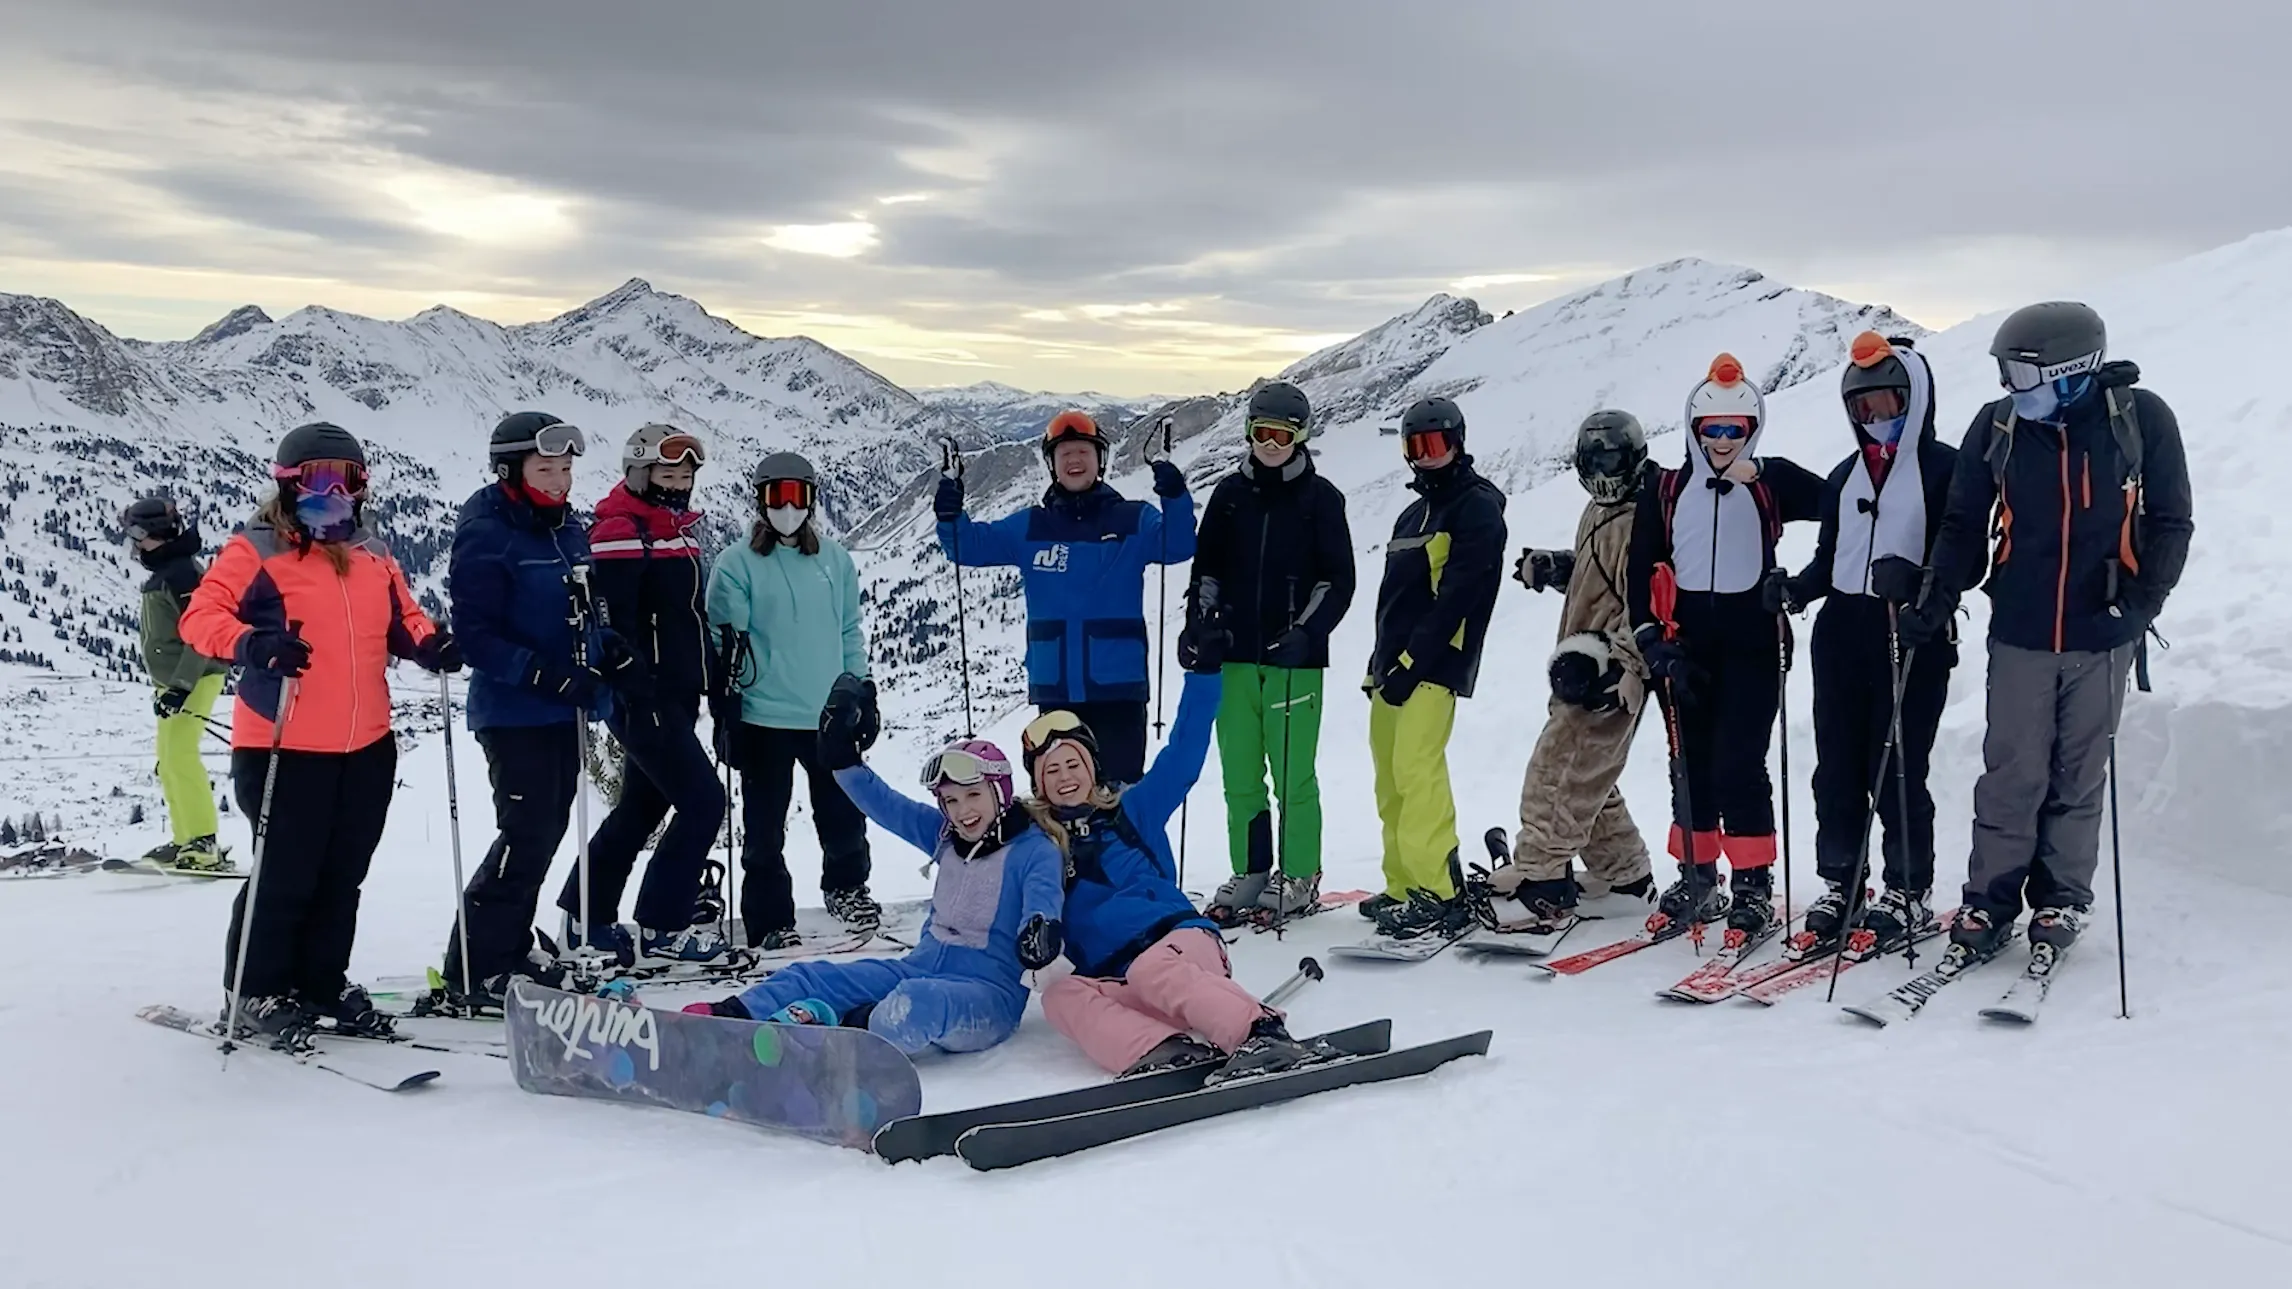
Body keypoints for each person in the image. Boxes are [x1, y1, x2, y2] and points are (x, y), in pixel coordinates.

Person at [1918, 302, 2192, 962]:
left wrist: (2139, 607)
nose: (2010, 388)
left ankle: (2063, 898)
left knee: (2078, 773)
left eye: (2022, 373)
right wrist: (1936, 595)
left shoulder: (2139, 419)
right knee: (2012, 772)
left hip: (2104, 634)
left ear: (2072, 372)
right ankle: (1989, 898)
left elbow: (2171, 521)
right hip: (2021, 631)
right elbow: (1962, 524)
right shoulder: (2001, 425)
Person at [179, 422, 459, 1044]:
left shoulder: (373, 552)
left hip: (365, 743)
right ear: (287, 484)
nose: (334, 491)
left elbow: (403, 616)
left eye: (349, 478)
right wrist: (255, 643)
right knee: (285, 872)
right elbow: (200, 619)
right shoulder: (254, 550)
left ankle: (320, 981)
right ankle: (256, 989)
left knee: (342, 872)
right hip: (282, 742)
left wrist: (427, 643)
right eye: (317, 478)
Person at [1027, 603, 1329, 1082]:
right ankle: (1163, 1049)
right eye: (1051, 771)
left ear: (1092, 769)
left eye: (1073, 764)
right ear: (1039, 785)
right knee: (1061, 996)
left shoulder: (1132, 811)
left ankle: (1260, 1033)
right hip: (1122, 980)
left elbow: (1183, 753)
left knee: (1152, 970)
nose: (1065, 778)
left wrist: (1205, 673)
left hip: (1182, 949)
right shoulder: (1036, 846)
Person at [687, 691, 1064, 1056]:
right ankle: (727, 1019)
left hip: (987, 995)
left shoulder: (1034, 851)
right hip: (918, 969)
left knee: (913, 1008)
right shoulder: (946, 836)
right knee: (810, 976)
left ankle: (830, 1031)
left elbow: (1043, 901)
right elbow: (887, 805)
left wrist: (1039, 930)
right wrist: (842, 759)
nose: (962, 810)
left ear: (999, 792)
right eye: (950, 800)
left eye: (973, 795)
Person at [433, 411, 634, 1013]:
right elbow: (475, 634)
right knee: (525, 835)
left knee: (544, 833)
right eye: (545, 467)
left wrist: (608, 648)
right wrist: (543, 673)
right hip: (514, 711)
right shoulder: (487, 533)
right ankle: (475, 965)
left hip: (563, 709)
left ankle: (509, 947)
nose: (559, 479)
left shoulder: (565, 529)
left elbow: (584, 607)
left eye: (567, 468)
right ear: (511, 469)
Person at [1769, 334, 1960, 954]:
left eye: (1887, 404)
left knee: (1900, 768)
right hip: (1844, 632)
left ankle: (1909, 891)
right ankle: (1841, 883)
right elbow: (1831, 559)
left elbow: (1967, 556)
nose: (1876, 419)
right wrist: (1796, 590)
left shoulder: (1945, 469)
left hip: (1910, 632)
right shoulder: (1843, 477)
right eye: (1863, 409)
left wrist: (1925, 589)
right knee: (1838, 769)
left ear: (1917, 399)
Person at [1628, 354, 1823, 944]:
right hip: (1684, 647)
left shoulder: (1774, 481)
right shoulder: (1664, 490)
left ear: (1752, 429)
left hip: (1754, 645)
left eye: (1734, 429)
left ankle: (1753, 886)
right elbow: (1640, 573)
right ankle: (1697, 876)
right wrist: (1652, 646)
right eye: (1710, 429)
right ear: (1693, 429)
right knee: (1688, 765)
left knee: (1739, 763)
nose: (1721, 440)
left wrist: (1801, 582)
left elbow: (1848, 506)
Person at [934, 409, 1196, 784]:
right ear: (1052, 464)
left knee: (1120, 806)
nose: (1074, 460)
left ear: (1099, 460)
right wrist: (950, 515)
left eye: (1083, 452)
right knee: (1059, 804)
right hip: (1056, 693)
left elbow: (1179, 544)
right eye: (1065, 453)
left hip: (1119, 694)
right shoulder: (1030, 526)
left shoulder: (1133, 520)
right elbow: (968, 546)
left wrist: (1174, 495)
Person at [1475, 410, 1657, 933]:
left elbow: (1648, 603)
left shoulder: (1641, 520)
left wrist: (1624, 665)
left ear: (1633, 458)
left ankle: (1542, 883)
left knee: (1557, 770)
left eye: (1611, 458)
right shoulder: (1603, 510)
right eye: (1592, 459)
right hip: (1584, 669)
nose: (1602, 470)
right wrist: (1558, 567)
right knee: (1589, 777)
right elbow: (1599, 575)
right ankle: (1625, 878)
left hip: (1609, 677)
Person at [557, 424, 730, 966]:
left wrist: (712, 682)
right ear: (639, 473)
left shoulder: (674, 529)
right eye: (666, 474)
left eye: (685, 475)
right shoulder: (620, 528)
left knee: (640, 807)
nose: (678, 484)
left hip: (674, 693)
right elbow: (613, 620)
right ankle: (662, 923)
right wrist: (635, 687)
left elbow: (686, 619)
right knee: (704, 802)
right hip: (643, 697)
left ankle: (586, 916)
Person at [1190, 381, 1355, 924]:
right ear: (1248, 433)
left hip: (1294, 661)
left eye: (1283, 435)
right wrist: (1200, 624)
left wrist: (1307, 633)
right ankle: (1253, 869)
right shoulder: (1229, 495)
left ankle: (1301, 873)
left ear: (1301, 437)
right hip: (1235, 656)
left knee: (1292, 775)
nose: (1271, 444)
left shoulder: (1321, 499)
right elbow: (1207, 569)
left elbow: (1338, 579)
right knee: (1239, 772)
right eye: (1262, 433)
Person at [707, 451, 876, 948]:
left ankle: (847, 887)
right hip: (764, 715)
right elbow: (723, 641)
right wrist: (728, 706)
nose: (787, 507)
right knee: (764, 826)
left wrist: (858, 689)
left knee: (843, 812)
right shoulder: (737, 563)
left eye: (796, 496)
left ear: (811, 500)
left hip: (828, 713)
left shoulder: (834, 560)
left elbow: (849, 630)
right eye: (776, 496)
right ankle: (769, 917)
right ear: (760, 502)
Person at [1362, 396, 1507, 940]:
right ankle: (1402, 883)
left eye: (1435, 445)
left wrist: (1410, 659)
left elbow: (1459, 597)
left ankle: (1438, 892)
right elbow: (1395, 598)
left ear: (1457, 442)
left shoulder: (1475, 507)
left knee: (1417, 773)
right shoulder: (1414, 511)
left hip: (1434, 663)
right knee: (1390, 778)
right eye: (1414, 447)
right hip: (1392, 668)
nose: (1425, 457)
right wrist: (1381, 661)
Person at [123, 495, 232, 873]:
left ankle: (203, 842)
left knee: (181, 755)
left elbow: (202, 636)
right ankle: (185, 839)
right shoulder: (169, 570)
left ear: (157, 533)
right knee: (169, 761)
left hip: (196, 677)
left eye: (138, 533)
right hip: (174, 682)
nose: (134, 543)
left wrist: (181, 685)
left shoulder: (183, 574)